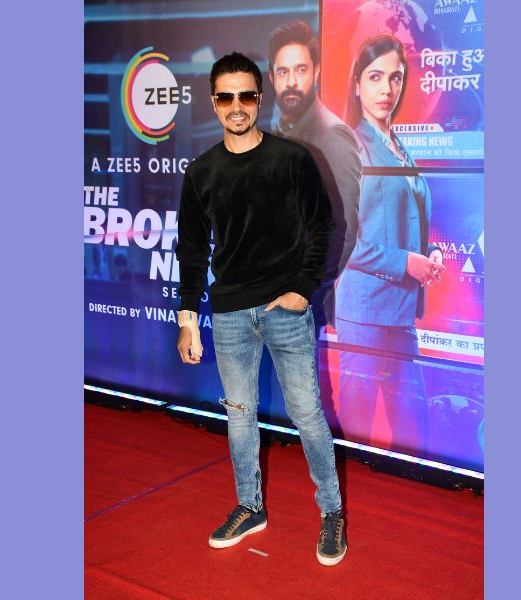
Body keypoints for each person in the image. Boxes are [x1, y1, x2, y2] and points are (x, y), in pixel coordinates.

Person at [174, 52, 347, 566]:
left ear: (259, 98)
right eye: (226, 97)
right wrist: (188, 319)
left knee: (307, 415)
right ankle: (250, 507)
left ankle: (332, 511)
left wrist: (302, 290)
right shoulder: (201, 173)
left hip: (285, 310)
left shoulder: (292, 160)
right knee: (239, 417)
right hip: (229, 313)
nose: (236, 106)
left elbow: (323, 227)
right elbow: (191, 250)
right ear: (213, 102)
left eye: (245, 95)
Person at [334, 34, 446, 452]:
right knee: (359, 433)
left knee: (415, 434)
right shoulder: (349, 144)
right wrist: (406, 262)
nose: (387, 88)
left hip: (400, 314)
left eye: (395, 78)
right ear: (357, 84)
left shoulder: (399, 147)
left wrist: (428, 253)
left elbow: (407, 218)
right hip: (365, 314)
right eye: (375, 76)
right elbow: (342, 237)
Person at [268, 21, 362, 328]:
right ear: (272, 77)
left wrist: (302, 295)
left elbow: (343, 232)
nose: (292, 81)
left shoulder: (331, 134)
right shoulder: (279, 134)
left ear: (316, 72)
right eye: (283, 72)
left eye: (301, 70)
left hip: (300, 311)